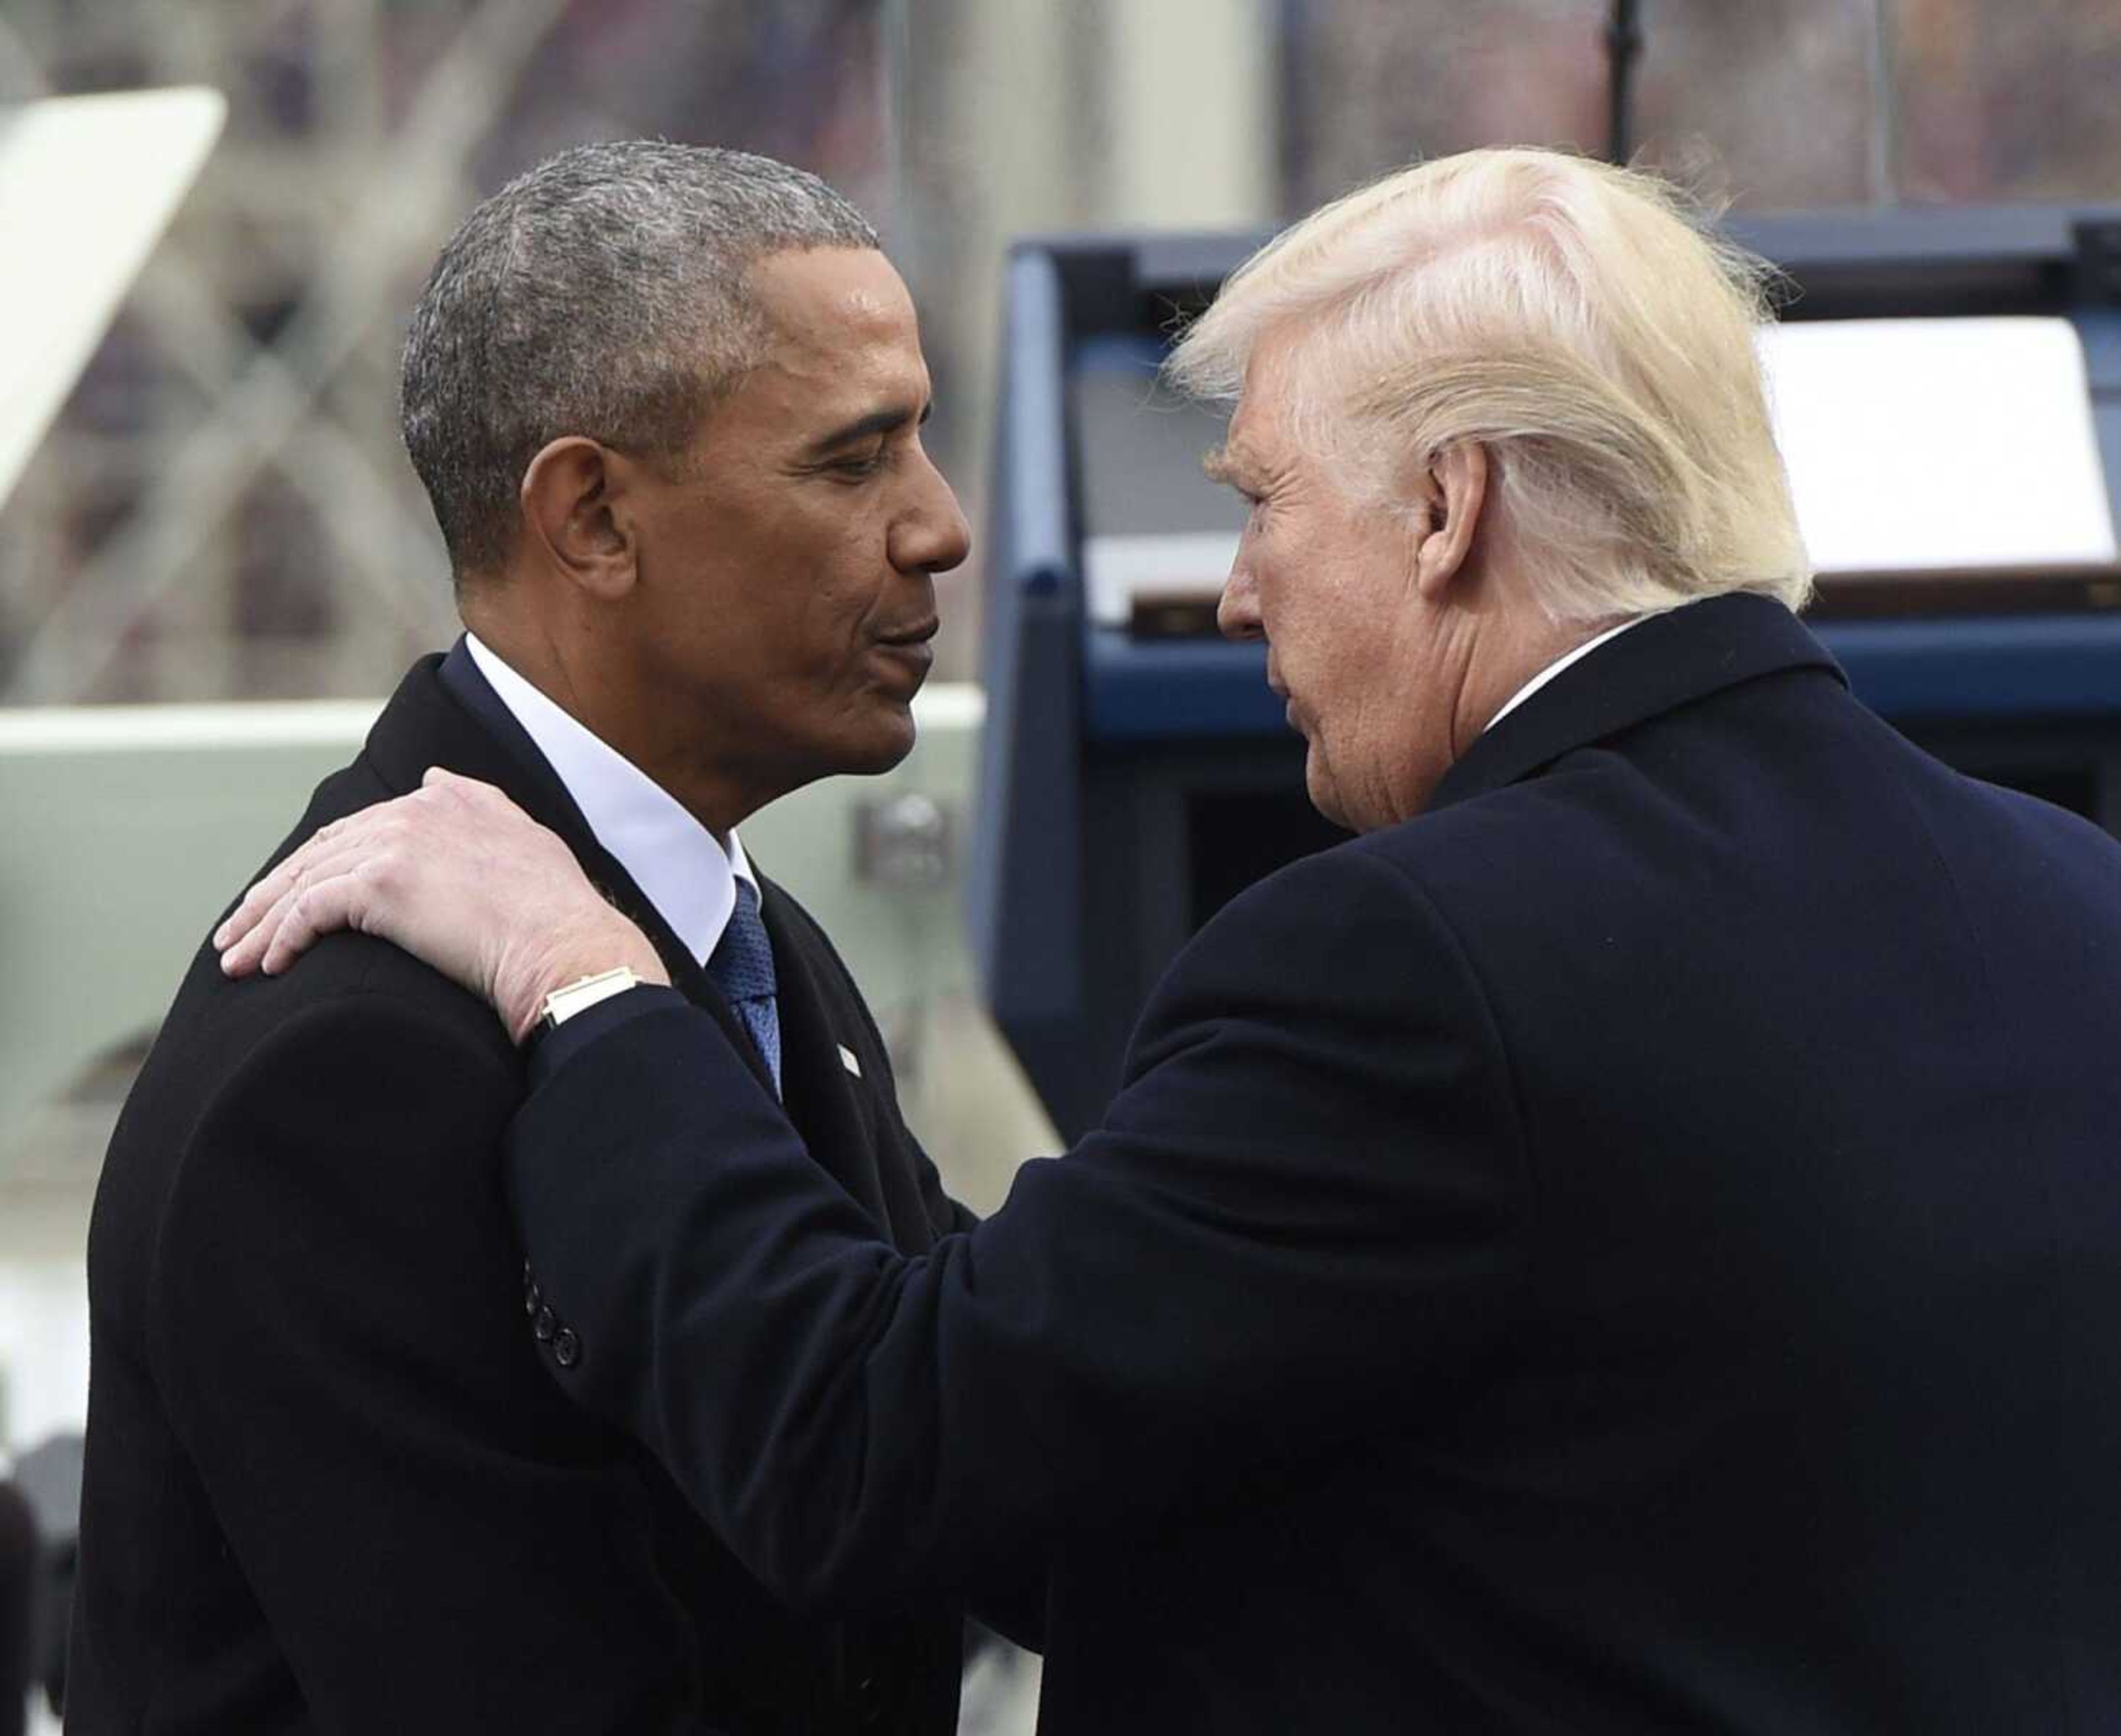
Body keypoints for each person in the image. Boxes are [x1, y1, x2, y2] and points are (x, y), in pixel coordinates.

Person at [221, 147, 2121, 1733]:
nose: (1235, 595)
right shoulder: (2071, 905)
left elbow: (883, 1448)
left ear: (1449, 510)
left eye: (1265, 502)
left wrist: (586, 982)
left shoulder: (1414, 967)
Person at [70, 141, 986, 1734]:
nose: (939, 527)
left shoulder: (743, 943)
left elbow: (932, 1433)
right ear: (592, 518)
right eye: (853, 463)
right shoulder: (346, 1065)